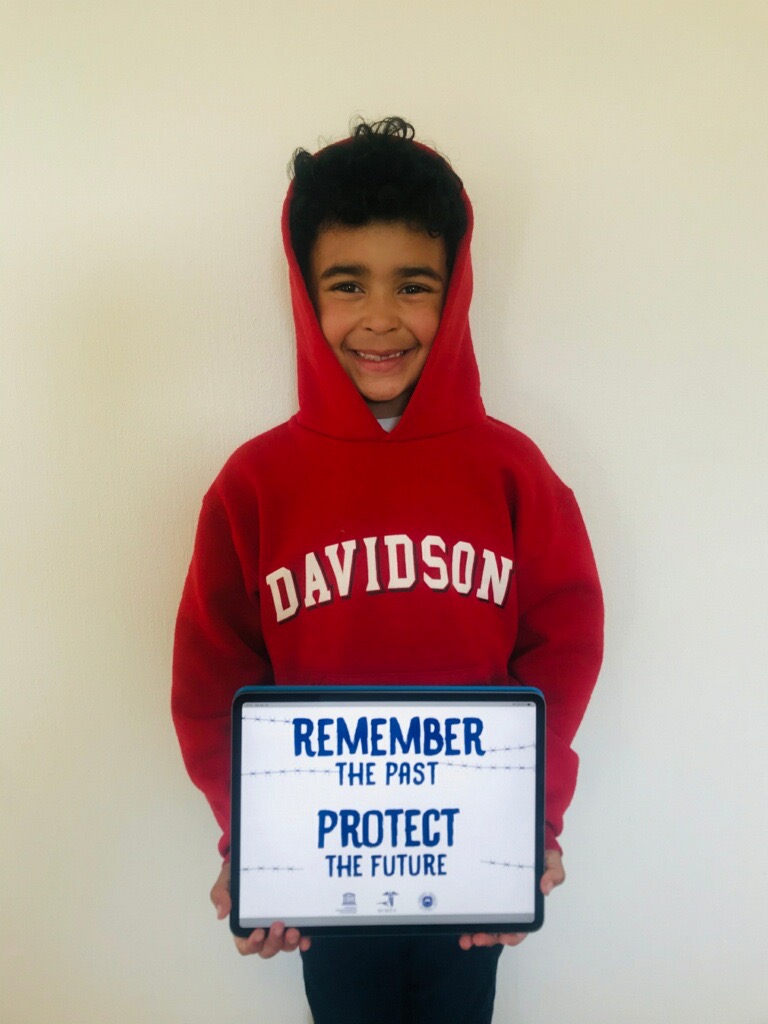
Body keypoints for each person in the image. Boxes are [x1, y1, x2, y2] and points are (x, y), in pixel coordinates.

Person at [172, 116, 604, 1024]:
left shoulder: (512, 472)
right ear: (304, 291)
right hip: (321, 882)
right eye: (346, 284)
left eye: (413, 285)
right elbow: (213, 678)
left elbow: (563, 648)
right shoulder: (254, 485)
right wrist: (252, 841)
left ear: (455, 290)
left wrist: (533, 819)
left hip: (469, 873)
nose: (379, 318)